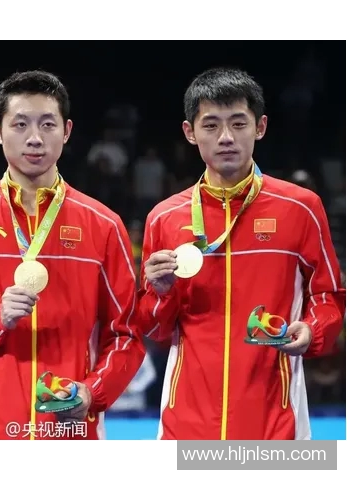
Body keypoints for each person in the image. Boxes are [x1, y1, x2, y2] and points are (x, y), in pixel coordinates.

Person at [0, 70, 146, 440]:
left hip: (70, 431)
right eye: (20, 124)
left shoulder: (104, 225)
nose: (34, 138)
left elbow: (126, 333)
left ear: (66, 131)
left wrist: (92, 392)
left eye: (47, 124)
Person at [139, 67, 345, 440]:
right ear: (190, 132)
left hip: (276, 417)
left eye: (238, 123)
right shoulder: (164, 218)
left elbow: (327, 294)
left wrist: (313, 329)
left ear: (260, 127)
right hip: (185, 421)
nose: (226, 137)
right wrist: (161, 292)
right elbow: (154, 328)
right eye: (211, 125)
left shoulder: (300, 207)